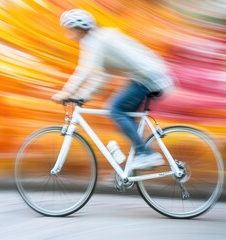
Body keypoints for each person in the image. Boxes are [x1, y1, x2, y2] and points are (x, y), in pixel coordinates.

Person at [52, 9, 173, 171]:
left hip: (149, 78)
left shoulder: (96, 41)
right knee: (124, 118)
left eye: (69, 30)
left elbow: (86, 70)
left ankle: (147, 155)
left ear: (79, 29)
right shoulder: (101, 39)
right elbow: (103, 75)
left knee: (115, 110)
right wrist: (83, 96)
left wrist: (66, 92)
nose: (68, 34)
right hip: (147, 77)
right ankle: (134, 161)